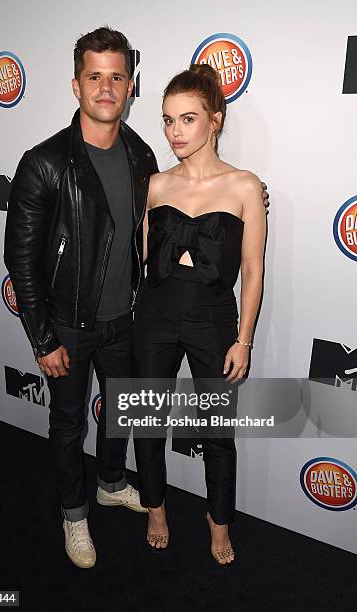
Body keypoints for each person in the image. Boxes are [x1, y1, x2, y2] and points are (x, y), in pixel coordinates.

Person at [4, 27, 159, 569]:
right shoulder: (44, 162)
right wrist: (42, 338)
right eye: (95, 76)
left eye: (117, 76)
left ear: (131, 85)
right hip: (67, 325)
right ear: (76, 85)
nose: (106, 87)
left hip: (124, 320)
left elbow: (170, 213)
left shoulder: (141, 154)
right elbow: (20, 261)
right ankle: (74, 515)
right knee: (69, 425)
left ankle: (111, 484)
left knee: (120, 414)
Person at [132, 64, 267, 565]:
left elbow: (252, 271)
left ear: (216, 119)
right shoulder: (154, 184)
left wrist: (244, 339)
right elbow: (139, 255)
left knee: (217, 432)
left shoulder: (245, 187)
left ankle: (218, 521)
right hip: (154, 314)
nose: (174, 133)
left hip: (214, 320)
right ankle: (156, 509)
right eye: (167, 121)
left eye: (187, 119)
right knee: (147, 421)